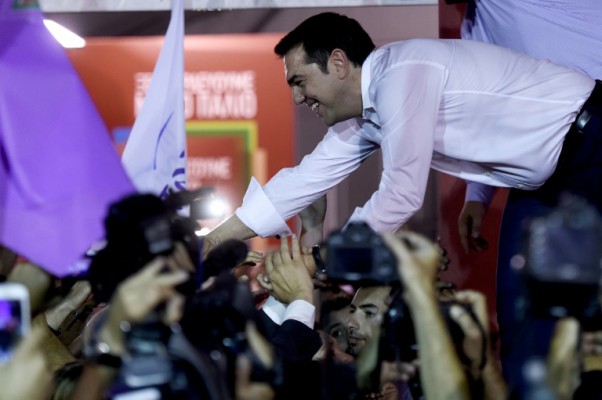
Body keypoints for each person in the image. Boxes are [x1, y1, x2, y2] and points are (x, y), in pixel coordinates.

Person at [204, 12, 601, 287]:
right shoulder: (365, 116)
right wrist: (210, 245)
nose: (295, 98)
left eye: (299, 81)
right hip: (550, 182)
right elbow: (300, 183)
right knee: (527, 322)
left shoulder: (400, 73)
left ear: (339, 63)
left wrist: (320, 259)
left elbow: (403, 193)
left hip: (592, 140)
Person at [453, 0, 602, 391]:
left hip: (594, 131)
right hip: (544, 168)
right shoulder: (476, 21)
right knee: (522, 308)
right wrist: (477, 194)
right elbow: (490, 113)